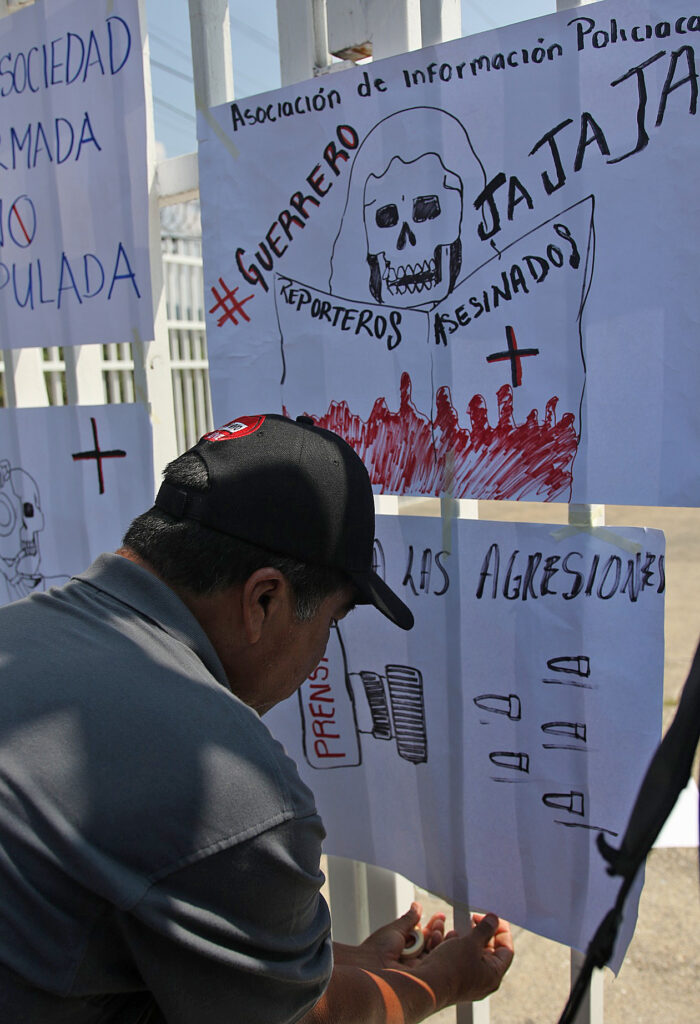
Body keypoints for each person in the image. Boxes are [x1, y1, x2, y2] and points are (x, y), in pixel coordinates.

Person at [0, 412, 513, 1023]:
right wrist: (442, 979)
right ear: (264, 599)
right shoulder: (224, 782)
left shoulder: (20, 633)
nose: (322, 657)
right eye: (332, 622)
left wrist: (325, 963)